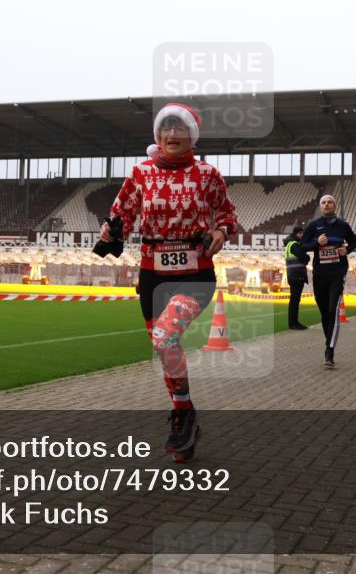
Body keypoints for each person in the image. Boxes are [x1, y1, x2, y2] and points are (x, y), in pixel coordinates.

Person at [101, 102, 237, 462]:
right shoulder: (141, 173)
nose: (172, 135)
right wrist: (110, 230)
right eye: (166, 128)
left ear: (191, 134)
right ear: (158, 134)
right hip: (151, 274)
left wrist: (222, 230)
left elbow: (227, 212)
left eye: (179, 129)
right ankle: (184, 414)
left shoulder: (207, 174)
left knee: (165, 334)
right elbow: (121, 216)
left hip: (195, 273)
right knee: (165, 348)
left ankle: (183, 415)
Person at [301, 195, 356, 368]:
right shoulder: (313, 225)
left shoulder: (343, 225)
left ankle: (329, 351)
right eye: (323, 202)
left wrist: (345, 250)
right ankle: (329, 342)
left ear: (334, 205)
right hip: (319, 274)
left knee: (333, 310)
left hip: (337, 273)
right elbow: (302, 246)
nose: (326, 204)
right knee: (324, 313)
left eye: (330, 202)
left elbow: (353, 242)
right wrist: (316, 243)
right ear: (320, 206)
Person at [283, 225, 309, 330]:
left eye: (303, 233)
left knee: (294, 300)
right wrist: (307, 257)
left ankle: (293, 322)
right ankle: (294, 323)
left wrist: (305, 257)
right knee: (295, 301)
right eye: (300, 233)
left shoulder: (291, 244)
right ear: (295, 234)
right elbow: (304, 258)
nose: (302, 235)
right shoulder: (294, 244)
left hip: (293, 275)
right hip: (296, 275)